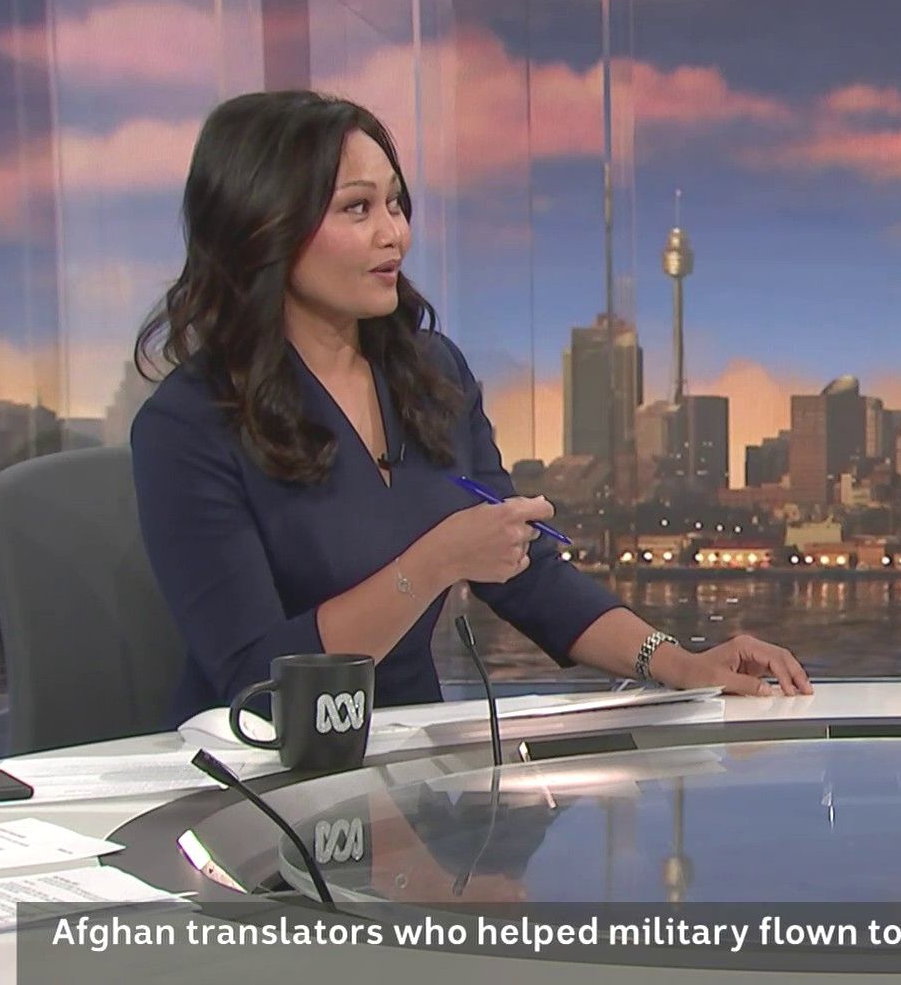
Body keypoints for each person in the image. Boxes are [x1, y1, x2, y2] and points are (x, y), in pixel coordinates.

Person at [132, 90, 811, 726]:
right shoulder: (188, 426)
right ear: (263, 226)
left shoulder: (431, 373)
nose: (394, 234)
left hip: (410, 756)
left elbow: (526, 574)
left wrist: (680, 665)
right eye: (358, 209)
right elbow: (255, 681)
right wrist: (434, 563)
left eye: (396, 204)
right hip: (261, 770)